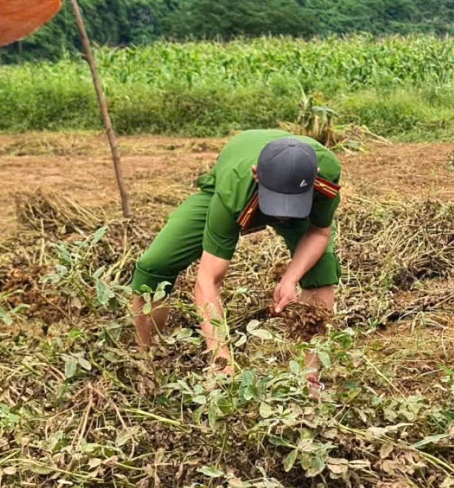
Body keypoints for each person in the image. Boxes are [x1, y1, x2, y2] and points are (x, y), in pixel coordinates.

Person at [128, 130, 341, 384]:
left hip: (300, 203)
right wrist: (222, 359)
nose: (282, 215)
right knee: (155, 265)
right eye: (278, 204)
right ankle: (148, 364)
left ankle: (310, 380)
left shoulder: (324, 173)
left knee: (321, 269)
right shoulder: (233, 189)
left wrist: (289, 279)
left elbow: (318, 232)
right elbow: (208, 279)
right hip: (238, 192)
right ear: (256, 174)